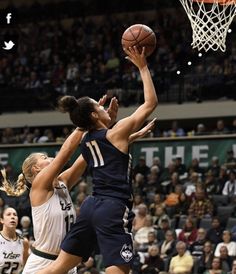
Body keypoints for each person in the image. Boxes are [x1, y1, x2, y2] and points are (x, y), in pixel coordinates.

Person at [0, 95, 155, 274]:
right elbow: (65, 152)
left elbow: (94, 152)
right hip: (43, 261)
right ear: (36, 169)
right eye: (44, 158)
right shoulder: (40, 185)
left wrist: (115, 133)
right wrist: (83, 120)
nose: (50, 158)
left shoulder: (62, 181)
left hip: (66, 262)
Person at [37, 45, 158, 274]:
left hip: (90, 207)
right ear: (94, 114)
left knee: (58, 268)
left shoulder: (86, 140)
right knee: (120, 269)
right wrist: (142, 67)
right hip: (112, 207)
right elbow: (150, 103)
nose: (104, 107)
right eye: (99, 106)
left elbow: (109, 146)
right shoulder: (115, 132)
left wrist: (130, 135)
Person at [0, 207, 29, 273]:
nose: (12, 217)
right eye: (8, 214)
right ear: (2, 220)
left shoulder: (24, 242)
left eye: (15, 215)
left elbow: (26, 267)